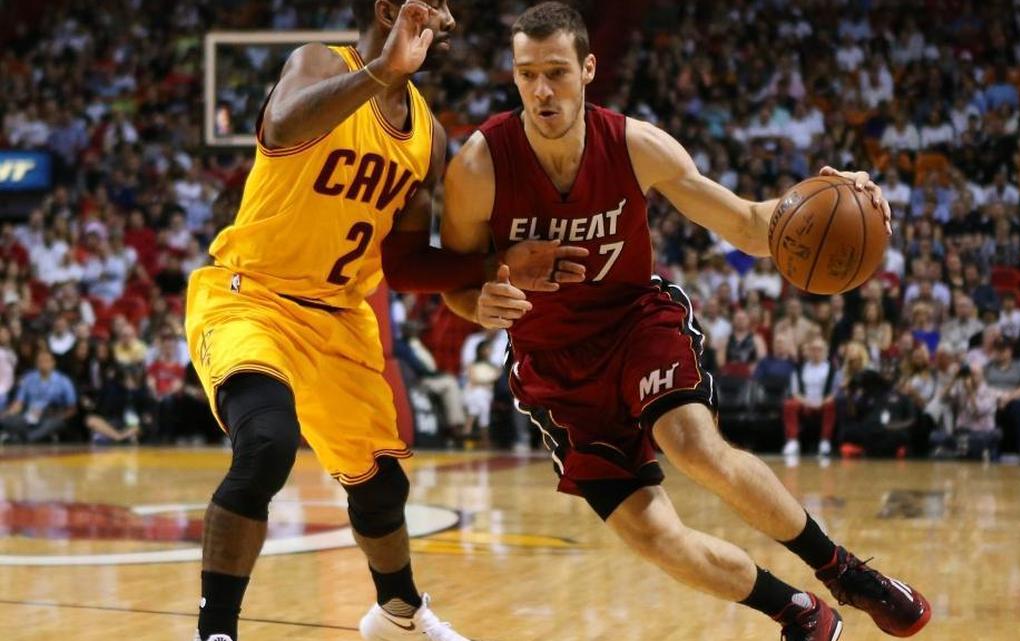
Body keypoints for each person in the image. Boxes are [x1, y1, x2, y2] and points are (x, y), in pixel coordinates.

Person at [439, 4, 929, 640]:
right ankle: (799, 612)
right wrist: (475, 302)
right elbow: (450, 278)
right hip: (552, 367)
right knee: (655, 536)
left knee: (692, 443)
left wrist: (834, 197)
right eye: (527, 73)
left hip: (635, 324)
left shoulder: (634, 145)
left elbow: (750, 225)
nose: (541, 90)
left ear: (588, 69)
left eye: (556, 72)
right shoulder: (479, 166)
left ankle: (842, 570)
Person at [182, 3, 586, 641]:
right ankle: (217, 631)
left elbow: (402, 263)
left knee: (381, 485)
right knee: (266, 445)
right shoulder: (320, 61)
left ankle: (398, 612)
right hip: (253, 296)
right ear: (387, 9)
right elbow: (281, 128)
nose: (450, 16)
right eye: (437, 1)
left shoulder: (428, 135)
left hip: (340, 318)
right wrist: (378, 72)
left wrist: (494, 264)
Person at [0, 349, 77, 443]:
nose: (43, 364)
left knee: (51, 424)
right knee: (8, 420)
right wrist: (8, 413)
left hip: (51, 416)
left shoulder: (64, 381)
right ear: (36, 363)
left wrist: (60, 416)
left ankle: (24, 438)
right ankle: (33, 437)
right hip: (28, 416)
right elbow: (19, 403)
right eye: (40, 361)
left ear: (53, 363)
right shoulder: (28, 379)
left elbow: (72, 408)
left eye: (46, 361)